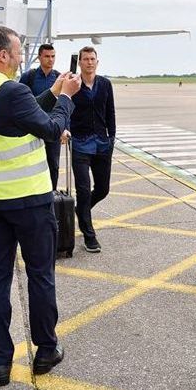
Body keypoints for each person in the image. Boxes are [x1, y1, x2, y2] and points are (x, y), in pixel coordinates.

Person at [0, 25, 79, 386]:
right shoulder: (11, 90)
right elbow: (50, 129)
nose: (22, 55)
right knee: (40, 275)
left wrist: (53, 90)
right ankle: (45, 351)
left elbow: (14, 120)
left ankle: (1, 362)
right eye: (18, 50)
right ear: (3, 55)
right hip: (31, 199)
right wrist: (67, 97)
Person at [67, 46, 116, 254]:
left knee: (103, 189)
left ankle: (81, 210)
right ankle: (89, 235)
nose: (89, 62)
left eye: (92, 59)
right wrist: (65, 130)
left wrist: (112, 137)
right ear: (80, 63)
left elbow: (110, 111)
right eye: (85, 59)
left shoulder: (105, 84)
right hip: (80, 142)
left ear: (97, 61)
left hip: (102, 143)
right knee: (84, 189)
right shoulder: (74, 84)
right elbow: (65, 108)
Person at [19, 44, 62, 190]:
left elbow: (65, 104)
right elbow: (21, 103)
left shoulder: (59, 77)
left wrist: (65, 128)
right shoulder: (28, 77)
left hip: (52, 126)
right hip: (33, 128)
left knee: (53, 164)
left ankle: (52, 194)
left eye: (53, 56)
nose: (51, 60)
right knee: (30, 164)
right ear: (39, 57)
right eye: (47, 56)